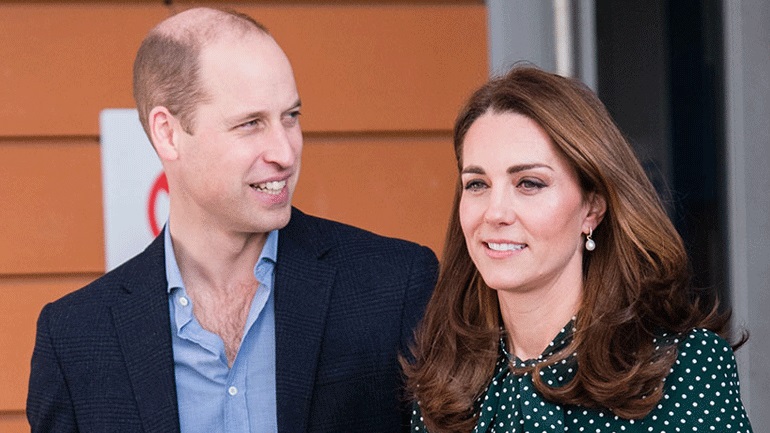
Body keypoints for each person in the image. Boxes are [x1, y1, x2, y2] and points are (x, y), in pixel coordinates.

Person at [27, 7, 438, 433]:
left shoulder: (394, 285)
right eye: (250, 124)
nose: (285, 152)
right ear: (168, 133)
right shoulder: (75, 340)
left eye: (290, 117)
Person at [403, 66, 752, 433]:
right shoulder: (443, 383)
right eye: (477, 184)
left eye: (529, 183)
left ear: (592, 208)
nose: (495, 213)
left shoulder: (683, 367)